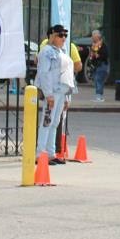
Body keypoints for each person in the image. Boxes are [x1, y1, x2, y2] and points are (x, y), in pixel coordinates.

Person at [35, 25, 74, 164]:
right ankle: (40, 155)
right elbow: (44, 73)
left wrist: (67, 96)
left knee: (55, 123)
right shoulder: (46, 52)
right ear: (52, 36)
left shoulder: (62, 51)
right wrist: (48, 94)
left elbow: (67, 74)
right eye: (60, 35)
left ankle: (51, 153)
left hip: (61, 92)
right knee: (47, 122)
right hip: (52, 92)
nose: (63, 38)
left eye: (65, 35)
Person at [88, 29, 109, 102]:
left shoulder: (103, 45)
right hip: (95, 65)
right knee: (96, 80)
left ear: (97, 36)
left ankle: (99, 96)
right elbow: (91, 55)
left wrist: (97, 55)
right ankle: (98, 96)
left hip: (102, 65)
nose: (92, 37)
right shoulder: (93, 45)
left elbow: (105, 55)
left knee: (99, 80)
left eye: (93, 36)